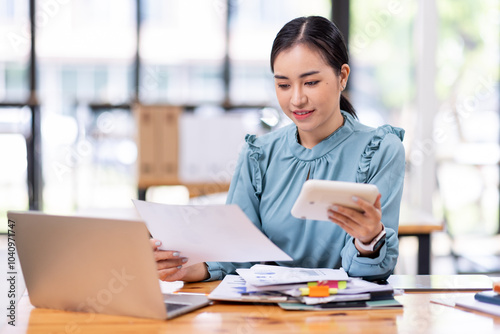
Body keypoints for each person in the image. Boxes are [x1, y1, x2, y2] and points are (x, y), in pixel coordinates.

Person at [150, 16, 405, 282]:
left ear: (342, 76)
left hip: (345, 315)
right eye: (283, 85)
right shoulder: (258, 154)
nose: (296, 99)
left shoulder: (380, 150)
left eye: (311, 83)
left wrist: (368, 240)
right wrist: (190, 268)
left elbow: (375, 272)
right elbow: (235, 253)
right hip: (268, 314)